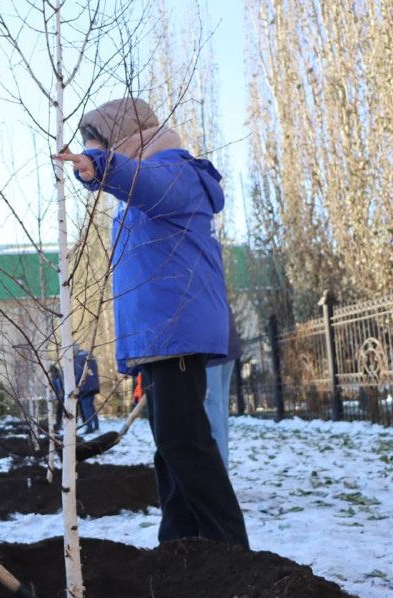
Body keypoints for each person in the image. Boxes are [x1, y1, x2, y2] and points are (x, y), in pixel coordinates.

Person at [54, 98, 249, 549]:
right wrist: (94, 170)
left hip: (175, 330)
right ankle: (179, 542)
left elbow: (144, 183)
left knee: (187, 442)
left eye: (96, 146)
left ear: (121, 142)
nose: (92, 154)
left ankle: (231, 549)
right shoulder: (145, 182)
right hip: (158, 336)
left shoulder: (175, 171)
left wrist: (99, 166)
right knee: (171, 445)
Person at [205, 305, 241, 469]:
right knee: (219, 413)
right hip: (227, 338)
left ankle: (219, 476)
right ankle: (222, 472)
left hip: (209, 347)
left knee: (212, 414)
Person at [73, 346, 101, 433]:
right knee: (91, 407)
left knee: (86, 408)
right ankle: (96, 425)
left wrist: (76, 386)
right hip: (94, 385)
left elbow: (79, 373)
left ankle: (89, 427)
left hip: (84, 386)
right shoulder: (89, 356)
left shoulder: (78, 358)